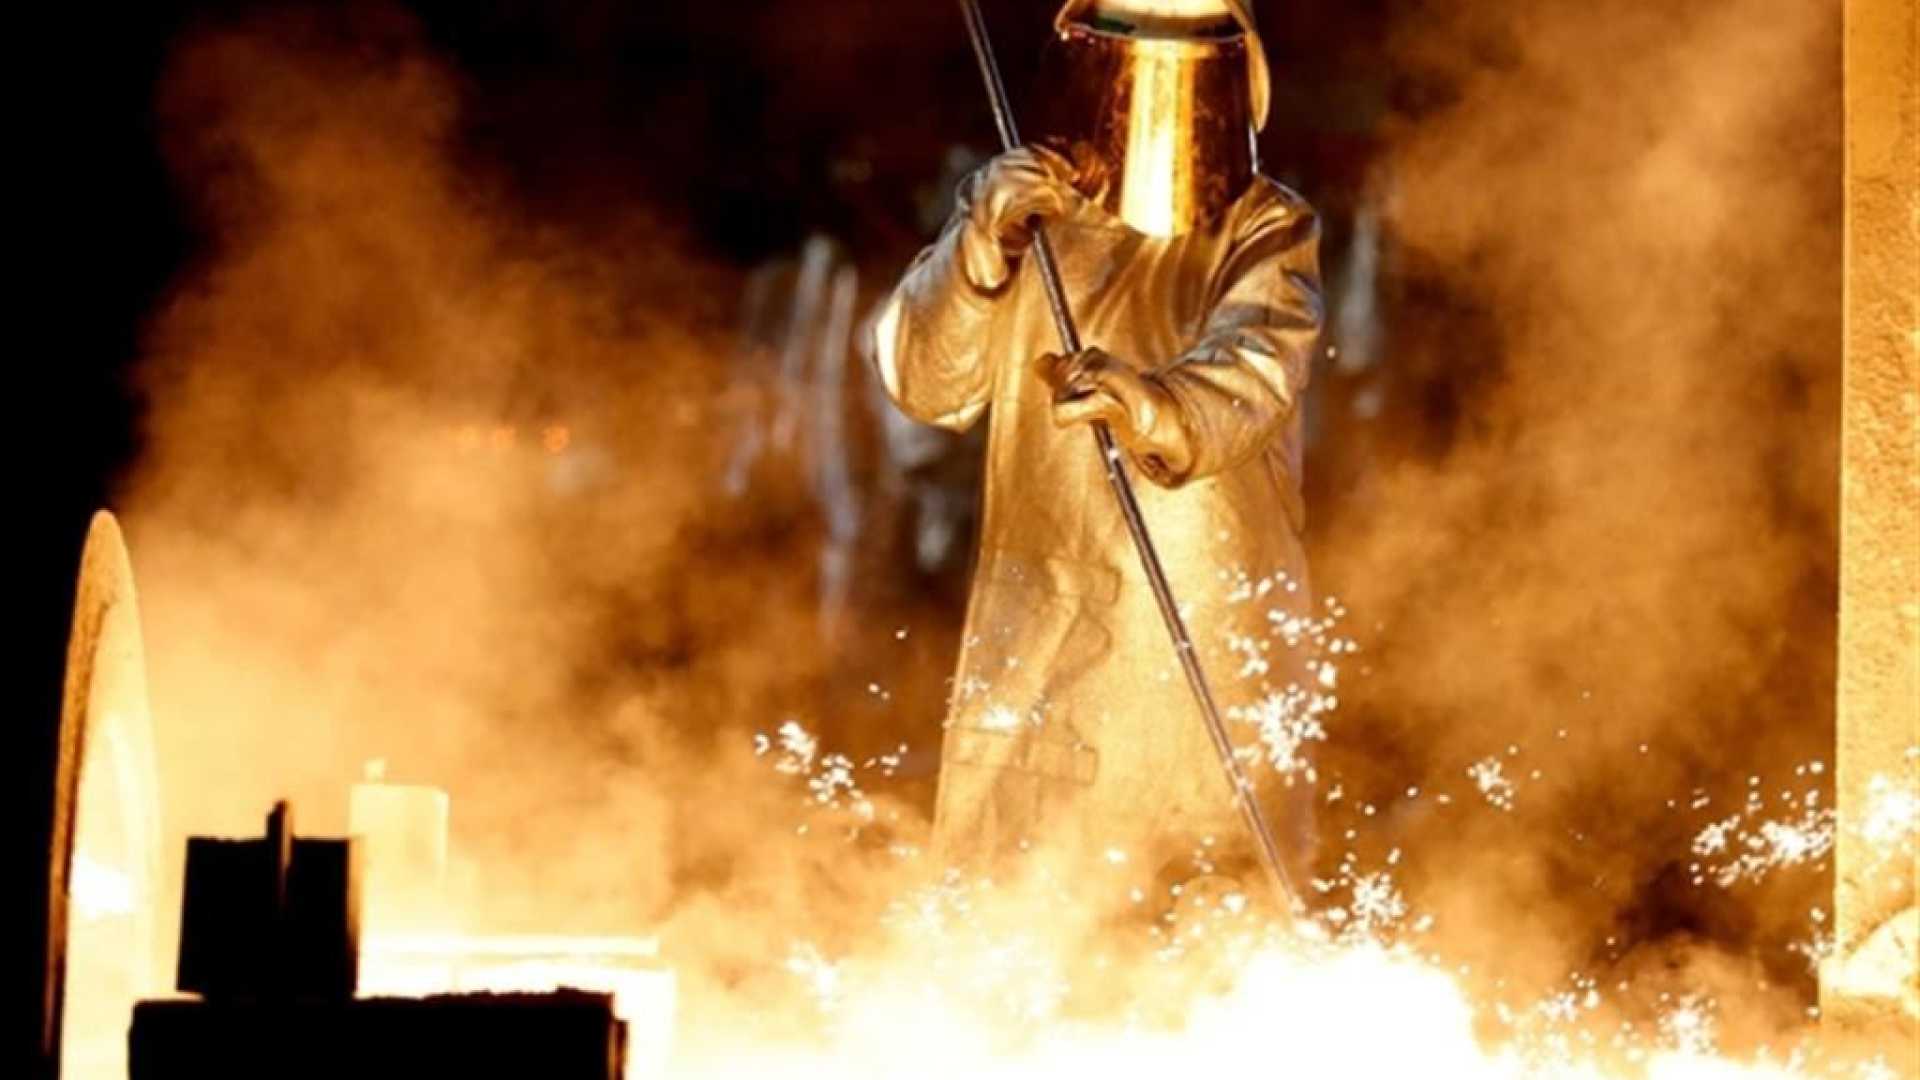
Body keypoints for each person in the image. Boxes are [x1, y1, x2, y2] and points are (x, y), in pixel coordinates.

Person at [873, 0, 1323, 892]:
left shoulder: (1263, 226)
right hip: (1046, 617)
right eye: (1132, 42)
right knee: (1024, 896)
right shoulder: (1026, 210)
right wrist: (978, 251)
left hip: (1200, 618)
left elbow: (1259, 366)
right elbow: (925, 381)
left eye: (1188, 45)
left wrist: (1153, 405)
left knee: (1204, 896)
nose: (1157, 72)